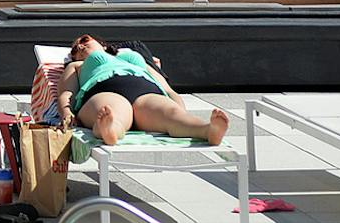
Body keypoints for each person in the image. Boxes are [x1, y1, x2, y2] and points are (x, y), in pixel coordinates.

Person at [55, 33, 230, 147]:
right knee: (111, 111)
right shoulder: (77, 65)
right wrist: (67, 113)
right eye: (75, 49)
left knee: (171, 114)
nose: (80, 46)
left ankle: (208, 130)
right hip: (103, 89)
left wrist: (178, 105)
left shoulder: (130, 56)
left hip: (145, 89)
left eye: (84, 40)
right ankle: (109, 130)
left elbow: (166, 88)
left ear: (102, 43)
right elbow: (66, 93)